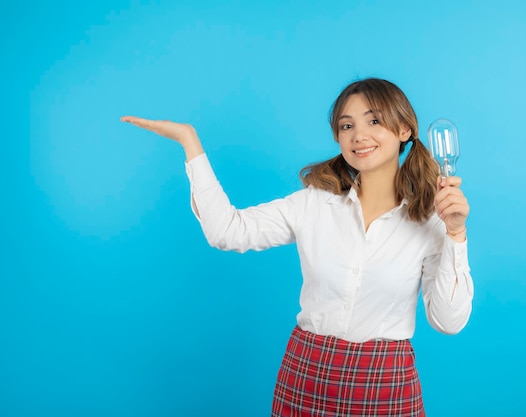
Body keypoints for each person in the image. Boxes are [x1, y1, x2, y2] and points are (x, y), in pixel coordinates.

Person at [121, 78, 474, 416]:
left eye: (374, 120)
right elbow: (227, 230)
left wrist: (455, 234)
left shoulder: (433, 219)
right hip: (307, 373)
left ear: (404, 131)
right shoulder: (314, 204)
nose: (358, 135)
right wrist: (190, 142)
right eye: (346, 126)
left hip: (384, 381)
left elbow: (448, 321)